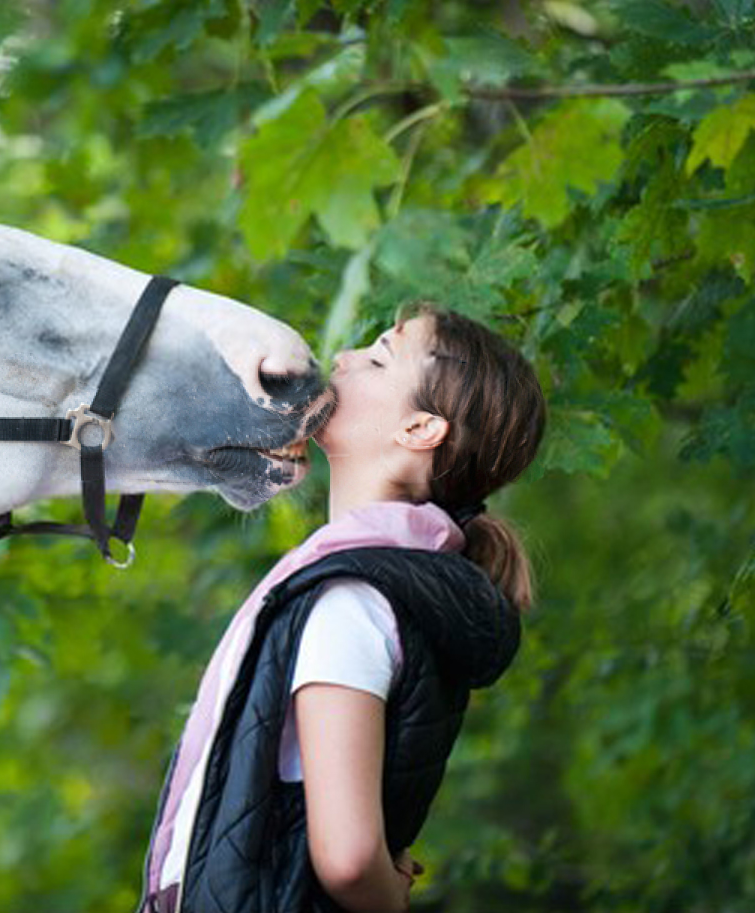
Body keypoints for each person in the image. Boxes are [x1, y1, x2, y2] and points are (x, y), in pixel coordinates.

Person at [141, 305, 546, 913]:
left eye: (378, 358)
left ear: (418, 430)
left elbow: (349, 859)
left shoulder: (352, 601)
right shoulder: (381, 587)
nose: (342, 360)